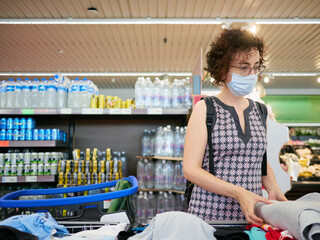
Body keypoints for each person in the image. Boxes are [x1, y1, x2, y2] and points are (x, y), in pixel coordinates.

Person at [183, 28, 287, 225]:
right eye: (243, 67)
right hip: (210, 216)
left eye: (256, 67)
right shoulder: (205, 109)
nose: (251, 74)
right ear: (223, 69)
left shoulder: (260, 111)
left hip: (252, 217)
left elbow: (260, 161)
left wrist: (273, 187)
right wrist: (239, 193)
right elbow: (190, 169)